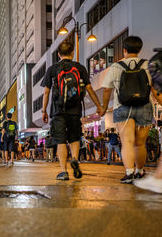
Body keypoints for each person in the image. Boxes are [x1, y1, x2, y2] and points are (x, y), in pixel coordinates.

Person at [100, 36, 161, 183]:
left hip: (122, 107)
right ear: (139, 50)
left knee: (127, 142)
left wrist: (103, 107)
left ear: (124, 50)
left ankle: (129, 173)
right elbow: (155, 89)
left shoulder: (116, 66)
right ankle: (140, 171)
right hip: (144, 106)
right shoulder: (148, 65)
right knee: (140, 143)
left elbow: (107, 89)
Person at [41, 42, 102, 180]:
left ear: (58, 54)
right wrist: (98, 105)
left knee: (61, 140)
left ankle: (63, 171)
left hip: (58, 111)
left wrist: (44, 111)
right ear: (72, 53)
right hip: (75, 110)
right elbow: (89, 89)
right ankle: (75, 159)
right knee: (74, 138)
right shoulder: (79, 68)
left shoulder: (53, 69)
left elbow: (46, 92)